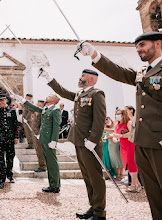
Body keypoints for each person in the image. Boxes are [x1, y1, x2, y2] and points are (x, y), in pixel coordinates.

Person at [80, 32, 162, 219]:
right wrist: (95, 55)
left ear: (157, 43)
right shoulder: (143, 72)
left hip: (159, 142)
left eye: (142, 45)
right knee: (154, 195)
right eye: (137, 47)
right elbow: (119, 72)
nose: (139, 50)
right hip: (142, 141)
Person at [40, 68, 106, 220]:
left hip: (90, 143)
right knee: (88, 177)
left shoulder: (97, 94)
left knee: (95, 178)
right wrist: (49, 78)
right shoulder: (79, 94)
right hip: (79, 141)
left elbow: (99, 119)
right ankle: (93, 207)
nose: (80, 77)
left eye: (83, 75)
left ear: (91, 78)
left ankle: (100, 213)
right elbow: (62, 92)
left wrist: (93, 140)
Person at [15, 94, 61, 193]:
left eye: (50, 96)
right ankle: (52, 184)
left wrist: (54, 140)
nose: (47, 96)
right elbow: (35, 108)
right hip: (44, 139)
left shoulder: (55, 110)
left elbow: (56, 126)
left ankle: (55, 185)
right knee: (49, 163)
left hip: (49, 141)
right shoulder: (46, 109)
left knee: (52, 163)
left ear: (54, 100)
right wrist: (23, 101)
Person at [0, 95, 19, 189]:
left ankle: (9, 175)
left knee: (10, 157)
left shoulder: (12, 111)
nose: (1, 102)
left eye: (2, 100)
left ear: (6, 100)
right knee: (1, 159)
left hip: (10, 138)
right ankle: (1, 180)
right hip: (0, 138)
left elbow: (15, 124)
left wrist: (16, 137)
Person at [114, 109, 140, 192]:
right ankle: (137, 184)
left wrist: (120, 135)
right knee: (127, 165)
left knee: (132, 164)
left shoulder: (128, 123)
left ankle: (133, 184)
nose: (117, 115)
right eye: (116, 114)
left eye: (118, 114)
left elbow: (132, 133)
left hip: (130, 145)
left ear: (123, 114)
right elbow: (116, 134)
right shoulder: (117, 124)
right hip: (123, 146)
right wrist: (115, 138)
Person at [104, 116, 123, 181]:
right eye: (105, 120)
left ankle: (121, 174)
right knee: (113, 159)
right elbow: (106, 134)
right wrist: (105, 137)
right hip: (110, 144)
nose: (106, 121)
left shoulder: (115, 125)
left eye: (107, 119)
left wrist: (104, 129)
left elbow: (114, 131)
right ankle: (118, 174)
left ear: (110, 119)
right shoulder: (106, 127)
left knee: (118, 158)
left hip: (115, 144)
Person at [32, 100, 47, 172]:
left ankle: (43, 166)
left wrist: (39, 134)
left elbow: (42, 125)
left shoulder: (42, 112)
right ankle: (41, 165)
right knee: (38, 150)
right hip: (35, 134)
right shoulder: (36, 112)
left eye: (38, 105)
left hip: (40, 135)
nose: (37, 106)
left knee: (41, 151)